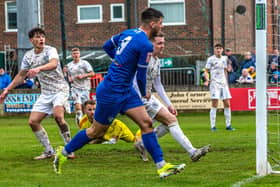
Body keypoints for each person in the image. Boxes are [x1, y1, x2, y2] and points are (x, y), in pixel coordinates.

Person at [53, 8, 185, 179]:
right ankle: (63, 152)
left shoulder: (128, 33)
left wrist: (119, 60)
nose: (162, 26)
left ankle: (161, 166)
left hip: (126, 90)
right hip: (111, 91)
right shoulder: (145, 45)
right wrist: (144, 91)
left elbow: (107, 46)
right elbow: (141, 75)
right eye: (160, 23)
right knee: (95, 132)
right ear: (153, 24)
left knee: (146, 124)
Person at [133, 31, 210, 162]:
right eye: (159, 43)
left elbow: (158, 84)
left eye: (163, 43)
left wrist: (169, 104)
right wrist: (140, 93)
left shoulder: (156, 60)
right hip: (139, 98)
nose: (162, 46)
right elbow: (133, 78)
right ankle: (192, 152)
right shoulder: (144, 58)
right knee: (171, 121)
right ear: (151, 44)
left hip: (148, 97)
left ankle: (143, 144)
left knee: (169, 122)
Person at [0, 27, 74, 160]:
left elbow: (53, 64)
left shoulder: (50, 50)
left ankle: (69, 148)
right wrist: (7, 89)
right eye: (38, 37)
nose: (41, 39)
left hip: (60, 89)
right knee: (33, 121)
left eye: (42, 37)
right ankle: (49, 151)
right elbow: (21, 75)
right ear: (31, 40)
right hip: (46, 93)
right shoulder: (28, 56)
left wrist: (38, 68)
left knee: (58, 116)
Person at [204, 43, 235, 131]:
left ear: (222, 49)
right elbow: (206, 71)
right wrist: (207, 79)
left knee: (227, 103)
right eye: (217, 48)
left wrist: (227, 83)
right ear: (214, 49)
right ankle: (213, 126)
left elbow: (225, 71)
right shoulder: (211, 59)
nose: (218, 50)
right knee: (215, 103)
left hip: (223, 84)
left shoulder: (225, 58)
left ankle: (228, 125)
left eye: (220, 48)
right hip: (214, 84)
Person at [66, 48, 95, 126]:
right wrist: (69, 78)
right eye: (74, 53)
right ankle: (79, 123)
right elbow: (68, 76)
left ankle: (88, 123)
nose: (76, 55)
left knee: (85, 108)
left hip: (85, 88)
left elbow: (92, 73)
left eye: (77, 53)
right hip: (75, 88)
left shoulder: (84, 63)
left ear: (79, 54)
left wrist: (83, 76)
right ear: (71, 55)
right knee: (78, 108)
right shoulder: (69, 65)